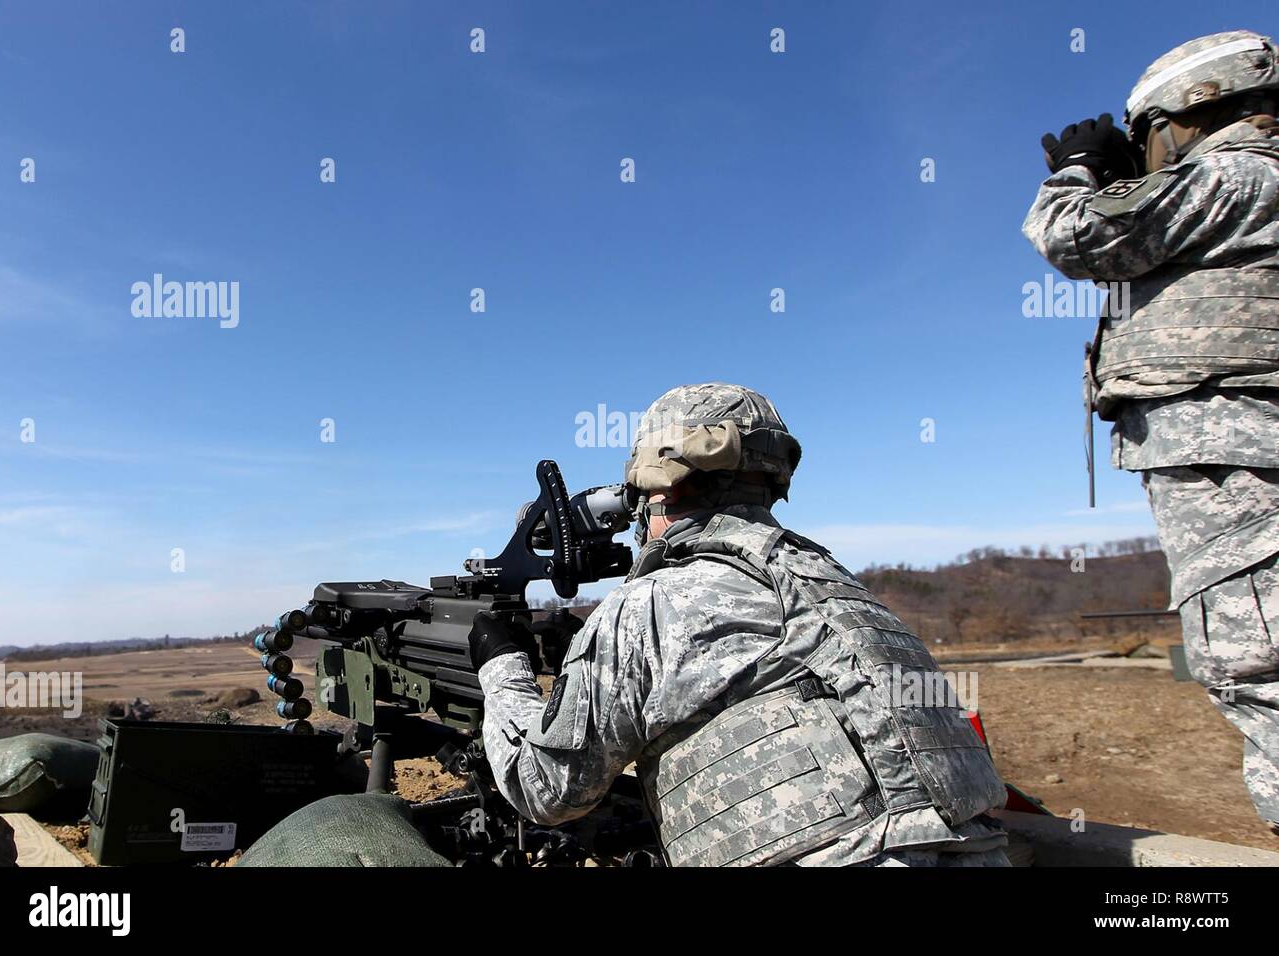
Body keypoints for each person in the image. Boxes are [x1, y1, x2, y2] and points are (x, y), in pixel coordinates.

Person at [469, 383, 1008, 866]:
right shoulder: (837, 584)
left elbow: (545, 790)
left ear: (665, 485)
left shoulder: (651, 604)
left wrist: (501, 666)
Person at [1022, 30, 1279, 831]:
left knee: (1259, 664)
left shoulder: (1241, 173)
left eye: (1147, 135)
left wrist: (1077, 172)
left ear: (1189, 113)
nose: (1145, 156)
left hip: (1237, 455)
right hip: (1237, 449)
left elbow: (1077, 234)